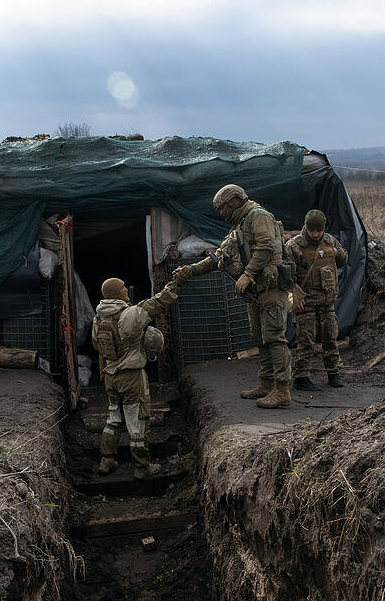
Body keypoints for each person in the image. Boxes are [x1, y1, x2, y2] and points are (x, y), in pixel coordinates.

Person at [172, 183, 293, 408]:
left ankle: (282, 390)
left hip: (271, 286)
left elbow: (266, 246)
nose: (221, 213)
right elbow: (221, 256)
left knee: (274, 337)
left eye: (223, 208)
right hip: (257, 289)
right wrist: (192, 270)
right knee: (260, 336)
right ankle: (267, 384)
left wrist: (247, 274)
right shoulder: (240, 225)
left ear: (235, 202)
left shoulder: (258, 216)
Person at [91, 277, 180, 475]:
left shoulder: (98, 318)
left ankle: (106, 460)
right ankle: (142, 467)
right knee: (137, 420)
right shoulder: (130, 315)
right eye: (122, 287)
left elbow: (97, 346)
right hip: (131, 376)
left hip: (110, 376)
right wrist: (175, 285)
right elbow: (157, 303)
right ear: (116, 293)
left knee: (114, 418)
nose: (125, 289)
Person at [285, 209, 348, 390]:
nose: (315, 234)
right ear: (306, 227)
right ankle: (301, 378)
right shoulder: (294, 246)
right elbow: (285, 275)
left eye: (319, 231)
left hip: (327, 301)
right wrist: (294, 297)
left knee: (331, 339)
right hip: (306, 303)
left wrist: (336, 253)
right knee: (306, 342)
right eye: (312, 230)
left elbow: (344, 260)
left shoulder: (329, 241)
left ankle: (334, 374)